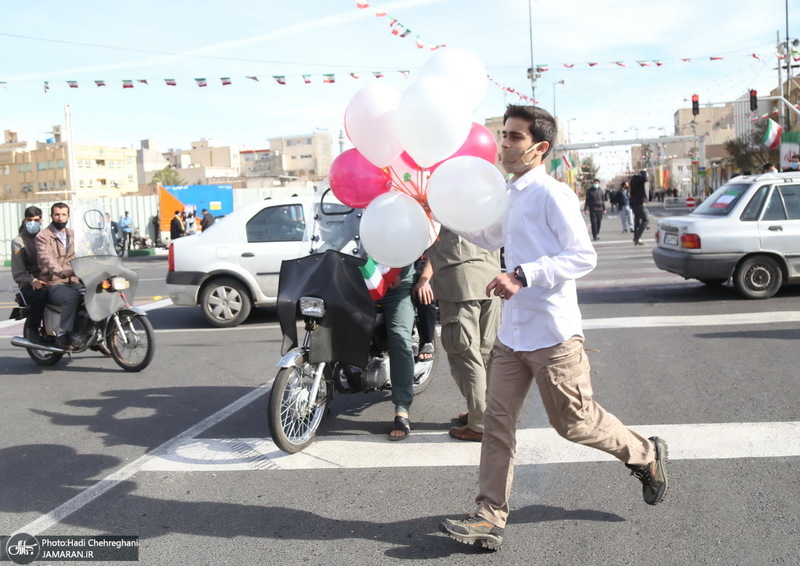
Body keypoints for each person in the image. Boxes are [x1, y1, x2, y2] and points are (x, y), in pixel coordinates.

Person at [439, 105, 669, 551]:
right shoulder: (508, 193)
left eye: (514, 138)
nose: (504, 143)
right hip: (513, 334)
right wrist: (447, 212)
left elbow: (583, 256)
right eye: (503, 134)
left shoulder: (551, 194)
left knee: (574, 423)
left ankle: (646, 453)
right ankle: (489, 516)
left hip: (553, 334)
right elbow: (491, 237)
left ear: (540, 148)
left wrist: (522, 275)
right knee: (496, 423)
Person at [414, 227, 501, 442]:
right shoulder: (482, 198)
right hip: (491, 279)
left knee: (465, 356)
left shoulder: (436, 202)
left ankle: (480, 424)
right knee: (485, 355)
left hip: (460, 284)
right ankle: (482, 411)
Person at [35, 202, 83, 350]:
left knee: (98, 294)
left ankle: (95, 336)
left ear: (68, 216)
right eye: (57, 214)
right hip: (54, 282)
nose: (60, 218)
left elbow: (85, 252)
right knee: (72, 297)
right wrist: (62, 271)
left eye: (63, 214)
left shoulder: (74, 234)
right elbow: (46, 259)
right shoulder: (43, 236)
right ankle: (62, 333)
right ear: (51, 216)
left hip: (75, 280)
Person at [382, 265, 417, 442]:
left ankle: (402, 408)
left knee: (400, 337)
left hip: (398, 286)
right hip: (360, 283)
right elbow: (335, 240)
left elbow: (410, 247)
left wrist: (396, 272)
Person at [11, 206, 49, 344]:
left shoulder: (48, 235)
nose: (33, 223)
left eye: (36, 220)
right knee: (41, 294)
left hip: (52, 278)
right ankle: (32, 329)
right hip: (31, 283)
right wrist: (32, 281)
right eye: (29, 220)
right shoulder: (19, 241)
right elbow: (18, 273)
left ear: (42, 220)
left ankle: (93, 337)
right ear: (25, 220)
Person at [629, 170, 649, 246]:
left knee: (637, 221)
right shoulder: (639, 180)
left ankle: (637, 239)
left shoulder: (634, 180)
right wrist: (644, 172)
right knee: (646, 220)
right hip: (639, 203)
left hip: (635, 204)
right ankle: (637, 237)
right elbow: (646, 179)